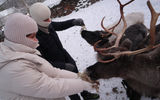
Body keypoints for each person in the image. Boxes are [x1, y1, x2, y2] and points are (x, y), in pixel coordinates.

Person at [0, 13, 95, 100]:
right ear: (19, 37)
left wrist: (80, 77)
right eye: (33, 36)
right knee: (67, 85)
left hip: (63, 56)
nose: (36, 40)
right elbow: (51, 87)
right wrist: (83, 83)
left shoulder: (28, 44)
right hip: (55, 63)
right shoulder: (17, 66)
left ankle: (85, 94)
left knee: (72, 77)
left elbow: (52, 72)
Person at [29, 3, 100, 100]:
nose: (49, 21)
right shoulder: (33, 38)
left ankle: (85, 94)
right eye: (46, 19)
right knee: (68, 84)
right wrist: (62, 66)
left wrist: (73, 22)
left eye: (49, 18)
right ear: (37, 20)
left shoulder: (47, 24)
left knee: (76, 75)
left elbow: (60, 25)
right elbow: (42, 62)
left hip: (64, 54)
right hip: (55, 66)